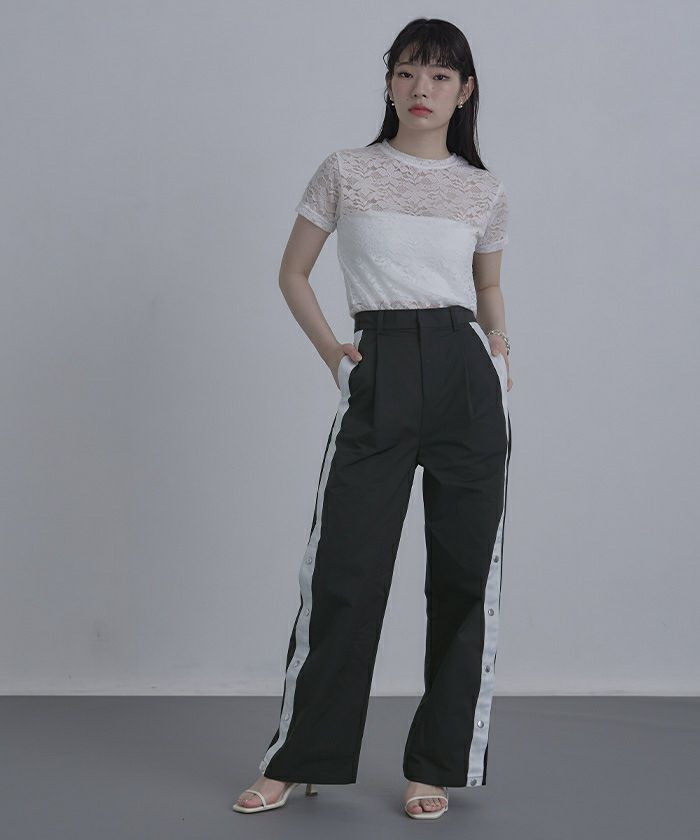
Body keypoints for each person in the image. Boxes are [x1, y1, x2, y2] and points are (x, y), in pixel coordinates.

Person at [234, 17, 512, 820]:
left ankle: (435, 766)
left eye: (440, 76)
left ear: (464, 91)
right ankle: (299, 758)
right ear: (389, 82)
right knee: (344, 574)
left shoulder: (483, 189)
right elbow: (293, 272)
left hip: (466, 377)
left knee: (464, 577)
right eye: (408, 72)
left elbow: (487, 285)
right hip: (380, 364)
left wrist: (500, 349)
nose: (422, 89)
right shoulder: (346, 171)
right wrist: (335, 354)